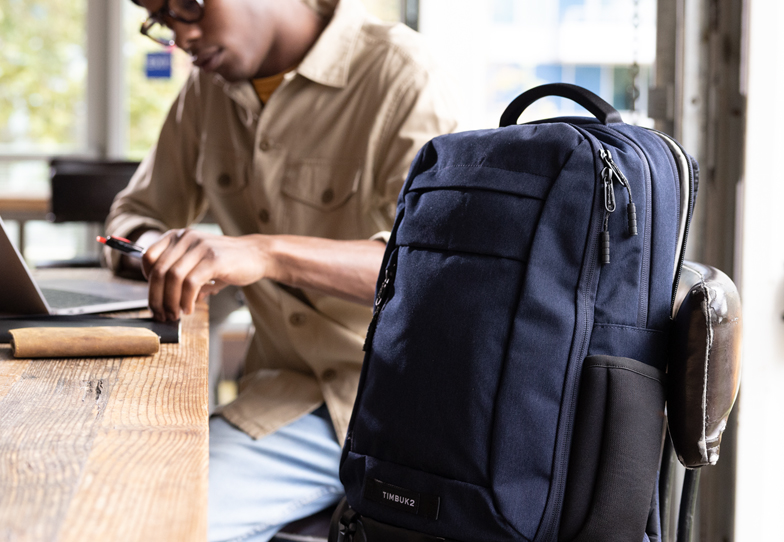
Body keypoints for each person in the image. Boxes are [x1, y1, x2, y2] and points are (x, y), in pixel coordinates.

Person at [105, 0, 460, 540]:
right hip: (274, 394)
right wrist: (162, 245)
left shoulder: (400, 70)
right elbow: (131, 217)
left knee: (146, 520)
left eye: (187, 4)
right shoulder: (208, 89)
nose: (180, 32)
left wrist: (265, 253)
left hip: (373, 407)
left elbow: (430, 270)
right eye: (160, 17)